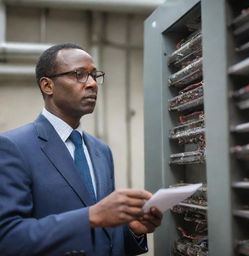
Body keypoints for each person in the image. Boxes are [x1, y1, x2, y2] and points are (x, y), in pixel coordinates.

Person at [0, 43, 162, 256]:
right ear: (48, 86)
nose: (93, 84)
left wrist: (131, 230)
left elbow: (104, 236)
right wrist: (90, 216)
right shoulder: (14, 147)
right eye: (80, 75)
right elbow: (7, 238)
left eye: (95, 75)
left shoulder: (101, 150)